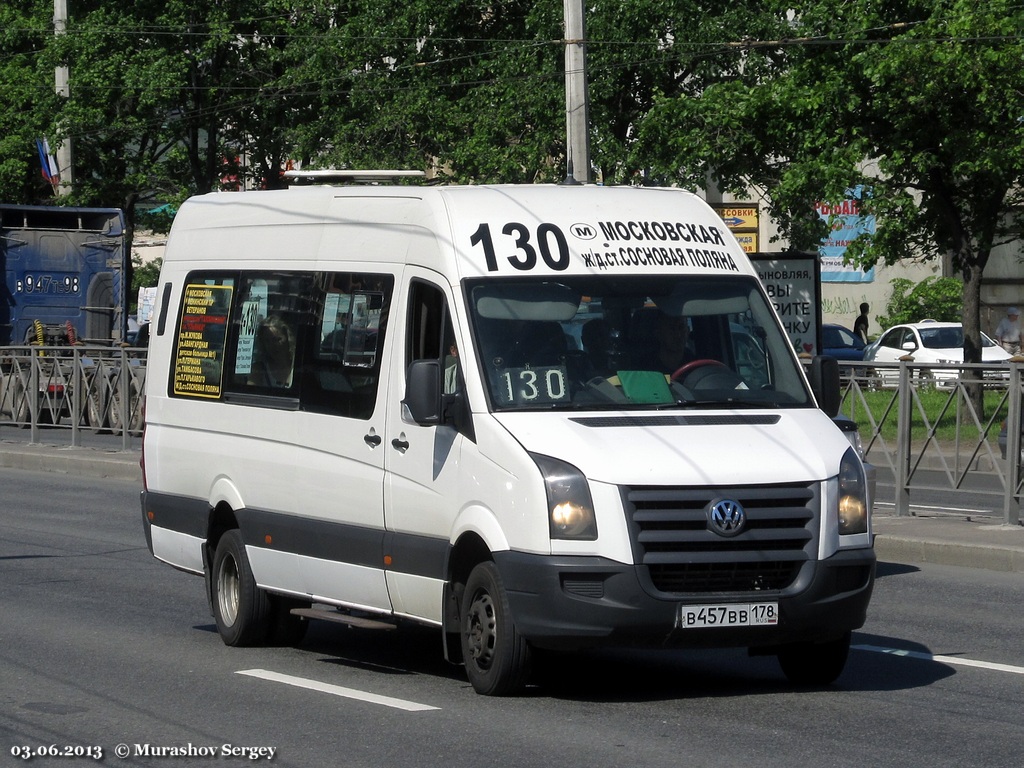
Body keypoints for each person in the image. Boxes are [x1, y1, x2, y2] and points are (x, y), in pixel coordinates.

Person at [249, 315, 296, 387]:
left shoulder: (299, 368)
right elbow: (250, 394)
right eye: (267, 341)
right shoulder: (259, 369)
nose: (272, 346)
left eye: (277, 339)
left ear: (288, 339)